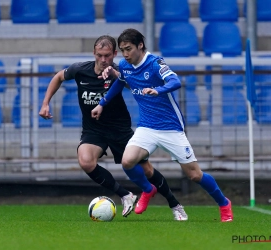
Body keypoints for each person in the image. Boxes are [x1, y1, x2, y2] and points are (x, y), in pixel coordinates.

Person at [39, 35, 188, 220]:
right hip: (93, 129)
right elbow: (59, 77)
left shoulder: (120, 70)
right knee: (86, 161)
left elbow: (129, 83)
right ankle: (125, 195)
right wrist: (45, 103)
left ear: (114, 54)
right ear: (94, 53)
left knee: (147, 170)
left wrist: (115, 74)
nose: (103, 60)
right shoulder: (80, 70)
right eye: (100, 55)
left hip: (119, 129)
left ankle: (174, 204)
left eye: (107, 56)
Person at [91, 29, 233, 222]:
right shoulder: (125, 65)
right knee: (127, 161)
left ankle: (224, 203)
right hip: (147, 127)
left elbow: (175, 81)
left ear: (140, 45)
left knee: (194, 175)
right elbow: (120, 83)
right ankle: (148, 190)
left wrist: (158, 90)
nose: (125, 54)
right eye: (122, 50)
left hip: (171, 128)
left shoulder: (156, 63)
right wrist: (102, 104)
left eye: (128, 49)